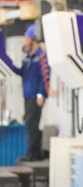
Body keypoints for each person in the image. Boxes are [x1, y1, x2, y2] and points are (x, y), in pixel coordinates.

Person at [13, 24, 47, 162]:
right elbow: (22, 72)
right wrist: (9, 64)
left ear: (34, 40)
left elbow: (44, 77)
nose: (26, 41)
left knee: (33, 124)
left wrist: (41, 95)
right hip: (27, 95)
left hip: (35, 96)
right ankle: (33, 152)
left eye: (27, 38)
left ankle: (33, 154)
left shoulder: (41, 56)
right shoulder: (28, 57)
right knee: (29, 124)